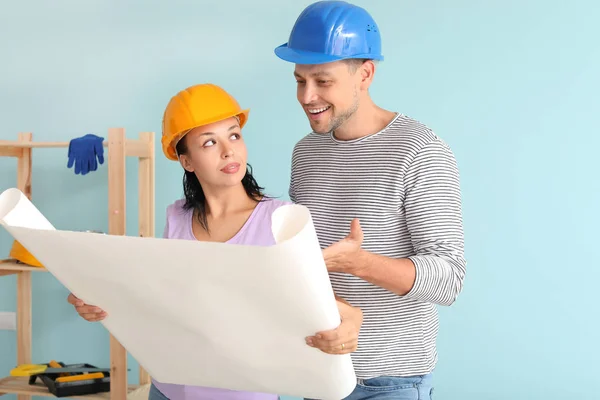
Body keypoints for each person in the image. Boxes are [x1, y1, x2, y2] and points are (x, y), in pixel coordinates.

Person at [66, 83, 364, 400]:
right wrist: (97, 298)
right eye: (209, 142)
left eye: (233, 135)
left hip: (245, 394)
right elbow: (160, 297)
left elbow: (314, 306)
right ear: (187, 161)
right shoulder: (177, 217)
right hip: (169, 389)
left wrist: (350, 316)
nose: (228, 150)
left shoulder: (281, 219)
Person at [274, 1, 467, 399]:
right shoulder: (305, 153)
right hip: (319, 371)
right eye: (299, 80)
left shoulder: (419, 151)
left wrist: (360, 263)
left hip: (391, 382)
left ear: (365, 74)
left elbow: (448, 279)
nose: (307, 96)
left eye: (323, 81)